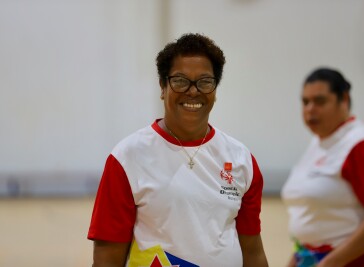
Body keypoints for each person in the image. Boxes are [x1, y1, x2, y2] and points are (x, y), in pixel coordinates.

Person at [87, 33, 269, 267]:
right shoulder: (127, 157)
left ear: (215, 90)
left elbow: (253, 252)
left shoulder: (241, 158)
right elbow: (107, 258)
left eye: (204, 81)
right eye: (180, 80)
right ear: (163, 87)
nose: (193, 91)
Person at [281, 67, 364, 267]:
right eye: (305, 102)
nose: (310, 109)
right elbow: (312, 218)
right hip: (315, 258)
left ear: (343, 99)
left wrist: (330, 264)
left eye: (319, 101)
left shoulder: (362, 144)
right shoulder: (319, 144)